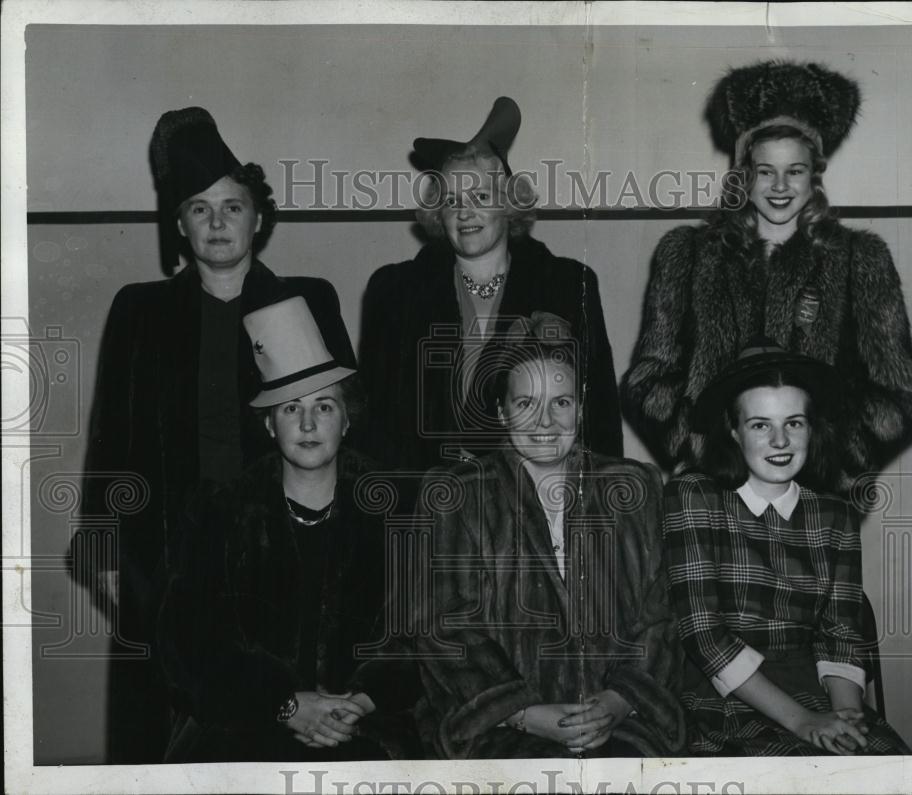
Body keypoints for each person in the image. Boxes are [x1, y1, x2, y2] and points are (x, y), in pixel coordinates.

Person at [67, 107, 356, 762]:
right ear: (179, 223)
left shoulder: (305, 300)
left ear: (259, 217)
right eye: (200, 209)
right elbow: (111, 441)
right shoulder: (140, 310)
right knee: (166, 748)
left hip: (280, 562)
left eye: (232, 206)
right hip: (162, 566)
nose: (218, 223)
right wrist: (107, 550)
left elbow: (340, 436)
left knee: (274, 732)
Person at [623, 61, 912, 490]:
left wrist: (835, 462)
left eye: (795, 171)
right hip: (715, 494)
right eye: (766, 171)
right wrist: (699, 450)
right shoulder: (686, 255)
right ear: (745, 176)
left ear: (814, 176)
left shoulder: (861, 258)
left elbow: (903, 393)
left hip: (818, 502)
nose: (780, 186)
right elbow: (647, 379)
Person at [414, 312, 685, 759]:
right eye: (525, 403)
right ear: (501, 411)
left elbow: (663, 614)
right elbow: (444, 625)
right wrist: (524, 712)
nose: (545, 421)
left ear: (580, 407)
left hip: (621, 723)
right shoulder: (456, 495)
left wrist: (620, 700)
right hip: (500, 728)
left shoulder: (635, 487)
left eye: (560, 402)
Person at [158, 297, 418, 761]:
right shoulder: (220, 511)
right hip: (245, 727)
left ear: (347, 419)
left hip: (369, 725)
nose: (308, 423)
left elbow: (427, 631)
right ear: (268, 424)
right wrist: (284, 704)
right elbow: (190, 642)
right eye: (290, 409)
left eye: (324, 406)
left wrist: (359, 702)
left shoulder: (400, 508)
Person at [663, 340, 910, 756]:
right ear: (733, 430)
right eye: (760, 425)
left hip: (816, 688)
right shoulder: (692, 495)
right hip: (723, 697)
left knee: (883, 765)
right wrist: (803, 721)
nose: (780, 440)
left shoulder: (835, 514)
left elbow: (841, 635)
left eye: (793, 423)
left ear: (812, 428)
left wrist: (846, 719)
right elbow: (704, 635)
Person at [359, 97, 622, 474]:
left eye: (480, 196)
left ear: (509, 203)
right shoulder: (394, 291)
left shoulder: (566, 284)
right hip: (424, 506)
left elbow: (599, 416)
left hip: (531, 504)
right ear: (437, 213)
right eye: (452, 200)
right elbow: (373, 425)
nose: (465, 212)